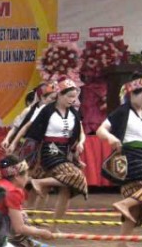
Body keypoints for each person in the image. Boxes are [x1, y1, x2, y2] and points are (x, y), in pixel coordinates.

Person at [96, 74, 142, 247]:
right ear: (132, 94)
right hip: (128, 157)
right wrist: (111, 138)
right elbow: (100, 130)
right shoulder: (122, 112)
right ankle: (124, 204)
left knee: (138, 205)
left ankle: (123, 242)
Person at [13, 77, 87, 218]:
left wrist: (79, 145)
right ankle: (37, 183)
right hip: (49, 149)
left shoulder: (74, 113)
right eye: (69, 96)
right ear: (59, 95)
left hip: (65, 151)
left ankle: (50, 224)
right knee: (76, 176)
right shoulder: (47, 110)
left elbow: (77, 134)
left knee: (66, 188)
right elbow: (31, 129)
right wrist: (15, 144)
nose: (73, 100)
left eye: (75, 97)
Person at [0, 156, 54, 242]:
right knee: (20, 219)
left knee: (20, 214)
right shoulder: (13, 191)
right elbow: (19, 228)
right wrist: (42, 232)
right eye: (26, 174)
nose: (28, 178)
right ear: (17, 176)